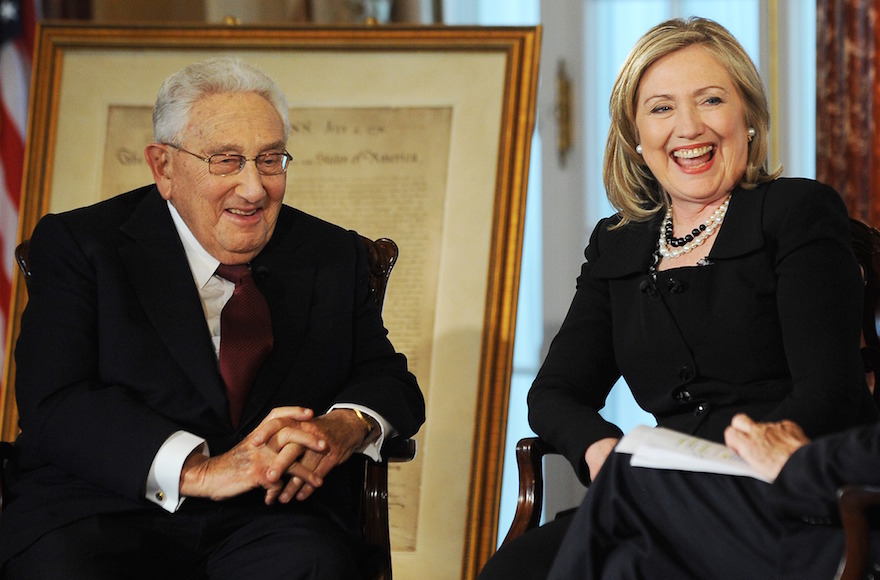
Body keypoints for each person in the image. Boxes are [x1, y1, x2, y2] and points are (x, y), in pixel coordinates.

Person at [479, 16, 877, 579]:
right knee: (513, 572)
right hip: (651, 489)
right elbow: (555, 392)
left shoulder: (796, 212)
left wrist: (734, 459)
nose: (688, 128)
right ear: (636, 138)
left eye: (711, 100)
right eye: (661, 108)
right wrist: (599, 449)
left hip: (778, 490)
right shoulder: (618, 244)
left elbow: (831, 392)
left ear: (749, 119)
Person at [0, 57, 425, 579]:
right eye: (227, 161)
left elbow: (390, 380)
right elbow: (54, 402)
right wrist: (199, 470)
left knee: (315, 564)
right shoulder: (82, 247)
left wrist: (344, 427)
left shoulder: (330, 254)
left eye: (270, 160)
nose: (254, 188)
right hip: (101, 505)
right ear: (164, 168)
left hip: (264, 519)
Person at [547, 413, 880, 578]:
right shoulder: (609, 276)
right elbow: (553, 389)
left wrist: (798, 459)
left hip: (852, 531)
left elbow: (828, 396)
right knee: (629, 565)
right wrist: (593, 442)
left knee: (628, 467)